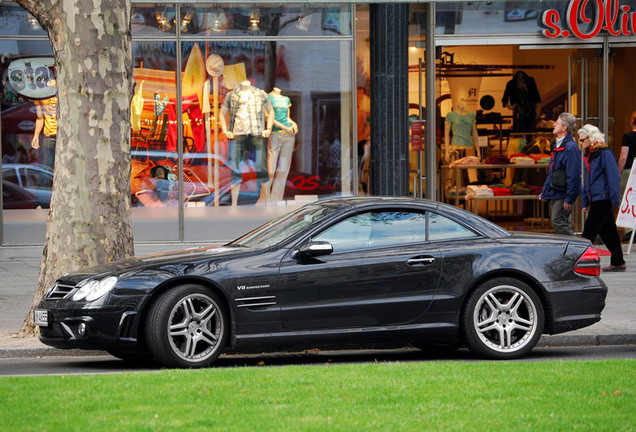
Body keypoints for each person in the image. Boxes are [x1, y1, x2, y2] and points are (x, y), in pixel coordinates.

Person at [578, 124, 626, 272]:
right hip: (597, 197)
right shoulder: (591, 155)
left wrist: (614, 198)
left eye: (583, 140)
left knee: (589, 231)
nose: (581, 143)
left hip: (603, 197)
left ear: (591, 138)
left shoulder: (603, 153)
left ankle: (576, 260)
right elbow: (589, 180)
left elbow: (613, 176)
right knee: (608, 231)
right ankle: (618, 261)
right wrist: (586, 200)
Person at [219, 80, 274, 206]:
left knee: (262, 168)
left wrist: (268, 129)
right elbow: (222, 113)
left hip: (256, 134)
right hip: (238, 135)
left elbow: (271, 111)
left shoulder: (260, 93)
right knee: (236, 170)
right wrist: (225, 130)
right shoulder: (232, 95)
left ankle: (269, 202)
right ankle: (234, 204)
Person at [540, 112, 581, 236]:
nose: (554, 125)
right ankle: (570, 250)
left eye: (557, 123)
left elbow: (573, 174)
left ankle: (577, 247)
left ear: (564, 128)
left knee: (558, 221)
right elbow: (553, 171)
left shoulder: (570, 147)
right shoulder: (558, 145)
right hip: (557, 190)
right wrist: (545, 191)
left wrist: (570, 197)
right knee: (561, 221)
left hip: (563, 192)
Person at [266, 87, 298, 202]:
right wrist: (285, 127)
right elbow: (268, 117)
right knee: (271, 170)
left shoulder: (286, 99)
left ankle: (276, 200)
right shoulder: (267, 97)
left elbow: (287, 118)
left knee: (283, 169)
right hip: (275, 134)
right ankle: (265, 199)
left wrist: (293, 124)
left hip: (288, 135)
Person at [618, 111, 636, 240]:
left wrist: (618, 172)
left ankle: (630, 229)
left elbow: (623, 157)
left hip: (629, 171)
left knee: (627, 199)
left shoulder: (628, 136)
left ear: (632, 121)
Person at [31, 95, 58, 170]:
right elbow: (40, 118)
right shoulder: (41, 93)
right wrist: (36, 136)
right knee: (46, 166)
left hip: (63, 135)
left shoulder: (63, 89)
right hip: (49, 135)